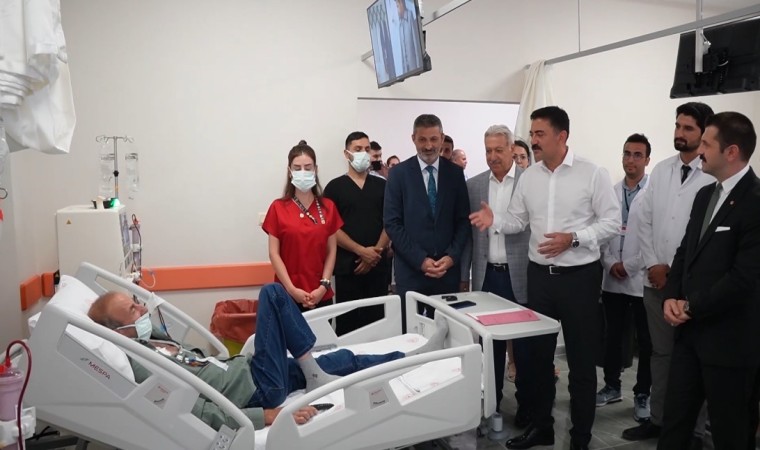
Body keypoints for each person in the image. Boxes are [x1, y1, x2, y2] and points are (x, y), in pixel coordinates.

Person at [88, 283, 450, 430]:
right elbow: (196, 411)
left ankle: (418, 355)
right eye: (132, 310)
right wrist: (267, 416)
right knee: (273, 293)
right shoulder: (143, 367)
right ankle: (313, 372)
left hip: (250, 372)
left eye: (136, 301)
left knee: (343, 360)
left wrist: (143, 315)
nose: (141, 308)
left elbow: (197, 362)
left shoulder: (151, 342)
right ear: (117, 332)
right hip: (258, 388)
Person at [469, 106, 619, 450]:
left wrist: (574, 238)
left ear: (561, 136)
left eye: (540, 134)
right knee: (536, 360)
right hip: (539, 279)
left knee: (581, 363)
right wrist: (495, 220)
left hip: (579, 278)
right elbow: (517, 221)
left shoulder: (592, 173)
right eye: (532, 134)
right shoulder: (530, 177)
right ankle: (542, 427)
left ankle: (580, 437)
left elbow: (612, 222)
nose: (533, 140)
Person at [656, 111, 760, 450]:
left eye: (706, 144)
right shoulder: (705, 196)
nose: (699, 150)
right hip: (689, 337)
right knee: (674, 425)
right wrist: (671, 296)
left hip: (730, 342)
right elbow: (685, 253)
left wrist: (690, 306)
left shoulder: (755, 201)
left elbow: (744, 278)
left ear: (731, 152)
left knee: (731, 433)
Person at [623, 102, 715, 445]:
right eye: (678, 125)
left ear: (704, 132)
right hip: (656, 281)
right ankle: (659, 420)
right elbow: (643, 220)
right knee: (660, 355)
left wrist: (673, 273)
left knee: (695, 358)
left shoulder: (712, 175)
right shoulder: (662, 170)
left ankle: (694, 430)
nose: (680, 133)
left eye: (688, 128)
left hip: (693, 287)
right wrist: (653, 264)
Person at [460, 124, 530, 420]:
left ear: (512, 149)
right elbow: (468, 237)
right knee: (489, 345)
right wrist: (465, 276)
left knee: (524, 346)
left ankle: (527, 407)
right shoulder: (475, 185)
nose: (492, 156)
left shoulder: (530, 180)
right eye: (488, 150)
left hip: (520, 275)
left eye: (499, 150)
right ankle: (492, 405)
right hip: (487, 276)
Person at [384, 114, 471, 328]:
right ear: (413, 138)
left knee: (446, 335)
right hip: (411, 272)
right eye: (422, 139)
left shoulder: (455, 174)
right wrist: (421, 260)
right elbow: (392, 223)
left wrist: (451, 257)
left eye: (433, 139)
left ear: (442, 138)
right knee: (410, 335)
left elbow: (463, 221)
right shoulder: (398, 174)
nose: (428, 146)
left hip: (446, 273)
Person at [596, 134, 653, 424]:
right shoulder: (611, 191)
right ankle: (611, 386)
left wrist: (629, 266)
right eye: (627, 153)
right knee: (612, 336)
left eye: (637, 155)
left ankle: (643, 393)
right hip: (612, 276)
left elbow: (653, 237)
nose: (631, 160)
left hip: (640, 278)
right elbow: (602, 231)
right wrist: (609, 263)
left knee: (645, 340)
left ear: (647, 160)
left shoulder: (654, 193)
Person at [262, 141, 343, 311]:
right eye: (297, 168)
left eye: (308, 167)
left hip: (321, 293)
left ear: (316, 170)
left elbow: (331, 251)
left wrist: (324, 286)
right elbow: (273, 253)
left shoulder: (328, 207)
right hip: (287, 294)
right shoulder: (278, 207)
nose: (303, 172)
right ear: (289, 171)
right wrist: (292, 290)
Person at [324, 132, 390, 335]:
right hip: (348, 268)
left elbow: (391, 221)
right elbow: (331, 228)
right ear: (347, 154)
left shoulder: (383, 185)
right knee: (348, 326)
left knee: (378, 325)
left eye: (367, 149)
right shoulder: (334, 188)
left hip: (378, 267)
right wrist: (361, 251)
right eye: (358, 149)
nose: (363, 153)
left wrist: (375, 253)